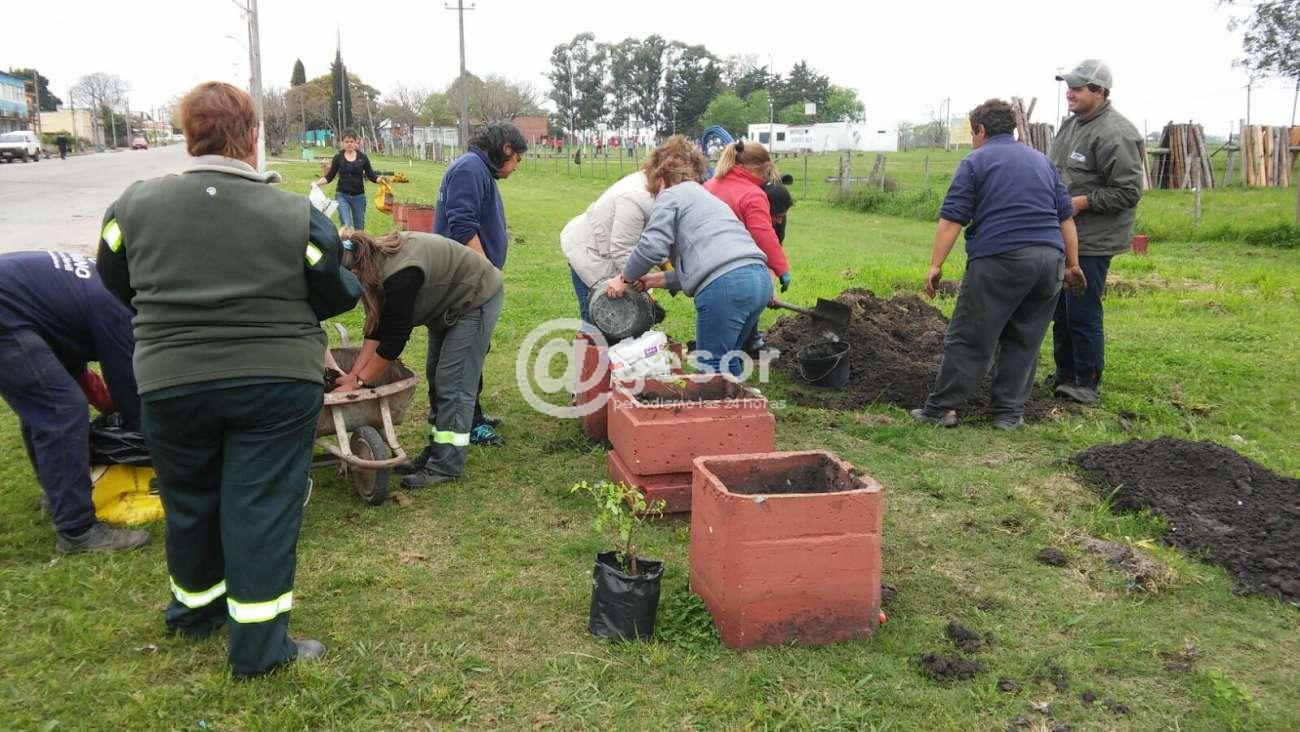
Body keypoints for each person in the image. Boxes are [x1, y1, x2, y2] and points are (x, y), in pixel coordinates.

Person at [96, 81, 361, 677]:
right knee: (261, 505)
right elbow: (335, 289)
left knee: (188, 497)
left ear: (188, 134)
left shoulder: (131, 207)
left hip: (170, 380)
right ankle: (260, 648)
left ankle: (194, 613)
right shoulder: (296, 216)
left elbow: (113, 273)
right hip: (274, 380)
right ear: (253, 136)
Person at [911, 99, 1086, 430]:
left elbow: (953, 218)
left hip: (1000, 258)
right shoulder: (1042, 162)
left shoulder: (975, 161)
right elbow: (1066, 218)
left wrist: (935, 265)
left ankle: (942, 409)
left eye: (972, 133)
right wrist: (1072, 264)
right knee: (1025, 338)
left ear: (980, 130)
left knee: (971, 335)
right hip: (1050, 260)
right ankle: (1008, 414)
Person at [0, 250, 149, 554]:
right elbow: (131, 395)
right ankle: (77, 531)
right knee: (60, 410)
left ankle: (59, 496)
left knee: (46, 404)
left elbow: (73, 363)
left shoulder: (107, 286)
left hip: (16, 308)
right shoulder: (121, 310)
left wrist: (110, 405)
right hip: (6, 313)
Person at [332, 228, 503, 488]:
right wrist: (353, 375)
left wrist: (359, 383)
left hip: (475, 296)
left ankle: (446, 465)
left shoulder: (399, 276)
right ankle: (437, 450)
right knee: (437, 374)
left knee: (453, 383)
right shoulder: (372, 264)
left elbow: (393, 341)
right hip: (446, 301)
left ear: (355, 272)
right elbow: (377, 329)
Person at [605, 138, 771, 377]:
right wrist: (655, 279)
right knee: (728, 359)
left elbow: (651, 247)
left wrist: (623, 279)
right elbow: (707, 264)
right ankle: (738, 400)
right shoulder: (705, 197)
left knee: (712, 367)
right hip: (758, 279)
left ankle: (724, 401)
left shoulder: (670, 195)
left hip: (727, 287)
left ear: (659, 177)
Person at [1048, 59, 1144, 405]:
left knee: (1082, 309)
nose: (1070, 93)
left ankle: (1086, 382)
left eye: (1077, 88)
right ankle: (1065, 374)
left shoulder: (1116, 133)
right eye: (1068, 87)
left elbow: (1129, 191)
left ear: (1100, 91)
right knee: (1061, 309)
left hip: (1092, 238)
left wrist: (1083, 202)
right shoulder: (1070, 125)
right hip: (1063, 233)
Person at [431, 122, 526, 446]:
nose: (515, 168)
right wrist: (487, 274)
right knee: (462, 354)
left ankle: (471, 411)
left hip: (469, 279)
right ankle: (466, 423)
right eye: (516, 160)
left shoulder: (477, 169)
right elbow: (462, 226)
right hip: (466, 282)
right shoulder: (470, 169)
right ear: (506, 149)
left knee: (471, 350)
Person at [561, 137, 701, 326]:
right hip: (589, 254)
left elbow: (652, 237)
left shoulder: (657, 188)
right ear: (667, 173)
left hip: (609, 253)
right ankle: (589, 343)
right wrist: (647, 294)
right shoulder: (635, 196)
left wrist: (667, 269)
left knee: (622, 324)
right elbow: (622, 250)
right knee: (598, 319)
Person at [703, 141, 793, 354]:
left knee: (719, 336)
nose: (766, 178)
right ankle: (739, 349)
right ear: (756, 168)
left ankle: (735, 347)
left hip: (705, 268)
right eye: (766, 172)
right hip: (736, 271)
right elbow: (763, 235)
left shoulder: (709, 186)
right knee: (723, 354)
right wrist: (782, 269)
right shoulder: (752, 194)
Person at [314, 129, 380, 231]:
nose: (349, 144)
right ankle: (345, 241)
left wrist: (380, 180)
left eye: (352, 141)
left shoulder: (363, 157)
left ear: (356, 142)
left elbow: (371, 175)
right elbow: (329, 177)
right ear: (342, 143)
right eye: (347, 141)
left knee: (359, 228)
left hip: (359, 196)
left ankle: (357, 241)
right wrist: (317, 183)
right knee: (346, 225)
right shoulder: (338, 158)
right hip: (342, 196)